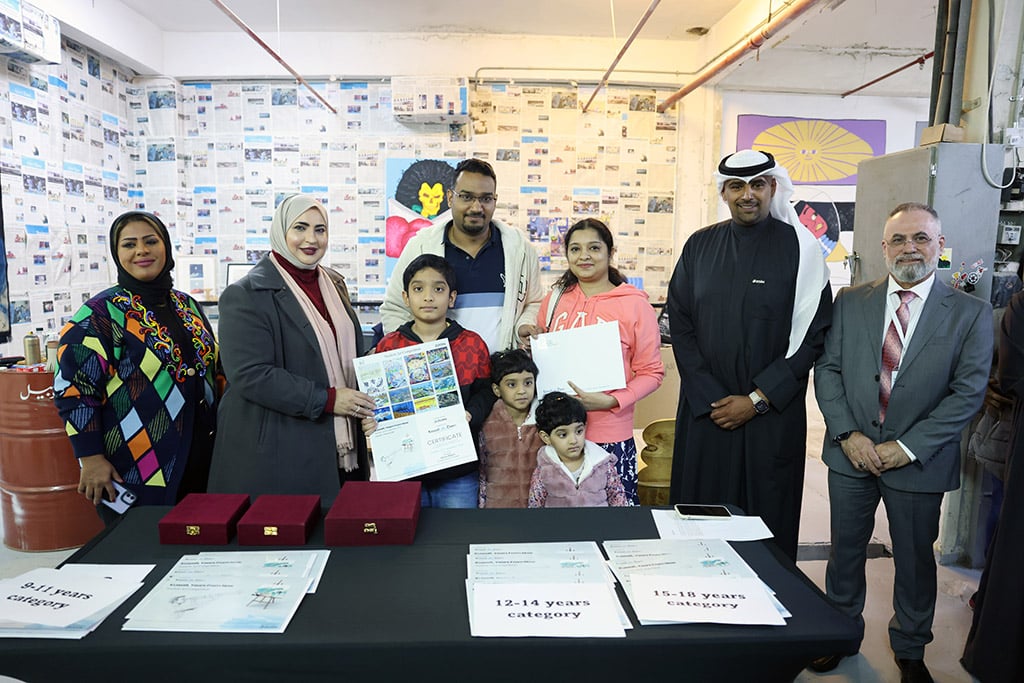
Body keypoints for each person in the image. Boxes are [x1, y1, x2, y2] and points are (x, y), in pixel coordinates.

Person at [813, 202, 991, 680]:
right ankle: (840, 632)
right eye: (899, 239)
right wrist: (847, 433)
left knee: (914, 559)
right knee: (844, 551)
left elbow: (968, 392)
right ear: (883, 247)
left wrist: (907, 447)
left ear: (939, 245)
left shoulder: (971, 314)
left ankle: (910, 647)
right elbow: (828, 370)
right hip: (851, 455)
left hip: (918, 462)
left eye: (920, 238)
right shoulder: (851, 301)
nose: (909, 247)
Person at [666, 149, 832, 561]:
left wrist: (757, 400)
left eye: (758, 185)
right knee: (703, 520)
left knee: (768, 529)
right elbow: (679, 326)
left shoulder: (802, 249)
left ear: (773, 187)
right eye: (736, 186)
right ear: (723, 192)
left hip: (771, 416)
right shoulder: (699, 246)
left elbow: (812, 336)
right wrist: (711, 398)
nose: (747, 195)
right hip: (709, 413)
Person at [54, 211, 218, 524]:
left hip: (203, 459)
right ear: (117, 255)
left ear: (166, 248)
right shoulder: (101, 314)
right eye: (129, 244)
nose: (141, 250)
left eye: (151, 241)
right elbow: (74, 390)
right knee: (144, 556)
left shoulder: (187, 306)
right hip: (137, 466)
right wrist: (89, 457)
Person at [208, 194, 373, 503]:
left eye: (320, 229)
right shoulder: (245, 294)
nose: (311, 239)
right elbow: (250, 375)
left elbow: (343, 354)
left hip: (337, 444)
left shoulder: (334, 285)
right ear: (281, 231)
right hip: (279, 451)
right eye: (300, 228)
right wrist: (328, 399)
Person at [525, 218, 663, 505]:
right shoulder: (554, 301)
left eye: (593, 248)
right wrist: (533, 346)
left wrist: (612, 401)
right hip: (558, 434)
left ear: (609, 252)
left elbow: (652, 372)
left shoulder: (635, 304)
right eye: (575, 249)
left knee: (614, 525)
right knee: (558, 519)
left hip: (610, 433)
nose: (584, 256)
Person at [380, 157, 544, 353]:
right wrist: (418, 358)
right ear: (450, 198)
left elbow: (534, 302)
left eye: (485, 198)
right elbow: (395, 309)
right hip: (442, 378)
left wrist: (522, 328)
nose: (476, 207)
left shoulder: (520, 249)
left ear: (494, 201)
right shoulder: (421, 246)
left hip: (500, 376)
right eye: (466, 197)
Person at [368, 253, 491, 508]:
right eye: (418, 289)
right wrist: (371, 420)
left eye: (438, 289)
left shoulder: (471, 343)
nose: (428, 297)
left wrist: (470, 413)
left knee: (456, 538)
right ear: (405, 297)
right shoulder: (389, 346)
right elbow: (376, 402)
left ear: (452, 297)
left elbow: (486, 392)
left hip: (457, 469)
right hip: (405, 470)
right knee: (407, 538)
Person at [962, 288, 1024, 682]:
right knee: (1005, 528)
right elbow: (1001, 379)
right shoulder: (1012, 309)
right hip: (1009, 444)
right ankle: (988, 599)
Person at [528, 391, 629, 508]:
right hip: (559, 525)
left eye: (579, 431)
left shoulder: (603, 464)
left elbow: (618, 498)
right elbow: (535, 505)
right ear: (546, 437)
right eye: (563, 435)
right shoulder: (543, 470)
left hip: (599, 524)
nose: (573, 440)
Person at [478, 349, 542, 508]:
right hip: (498, 509)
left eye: (528, 382)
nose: (521, 391)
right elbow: (482, 472)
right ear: (496, 389)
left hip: (540, 512)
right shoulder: (487, 422)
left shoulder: (544, 420)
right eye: (512, 384)